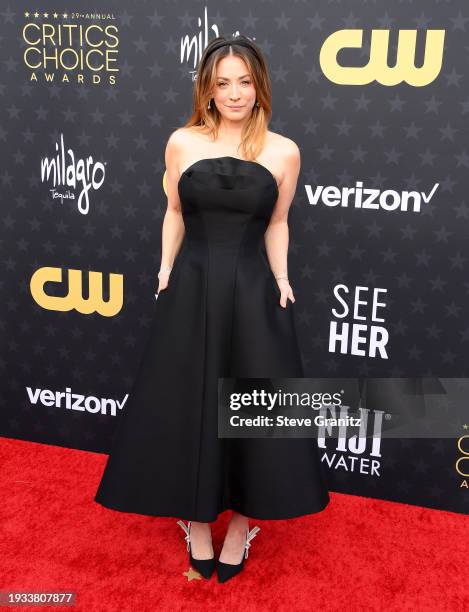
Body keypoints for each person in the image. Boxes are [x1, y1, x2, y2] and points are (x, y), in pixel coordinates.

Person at [94, 34, 329, 584]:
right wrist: (164, 268)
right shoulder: (181, 143)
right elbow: (174, 211)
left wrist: (282, 278)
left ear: (260, 84)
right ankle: (198, 522)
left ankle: (244, 522)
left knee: (254, 401)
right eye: (223, 83)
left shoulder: (284, 150)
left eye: (244, 82)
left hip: (252, 287)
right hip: (193, 285)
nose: (234, 93)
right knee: (191, 401)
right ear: (207, 88)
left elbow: (278, 222)